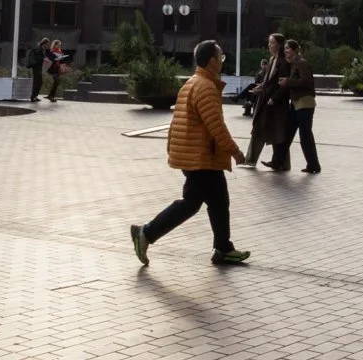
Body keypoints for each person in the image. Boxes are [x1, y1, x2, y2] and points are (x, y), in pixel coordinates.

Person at [130, 40, 249, 267]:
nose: (223, 61)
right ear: (212, 61)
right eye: (221, 56)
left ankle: (223, 248)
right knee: (190, 203)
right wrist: (235, 152)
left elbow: (176, 123)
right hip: (201, 157)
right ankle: (146, 233)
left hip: (200, 156)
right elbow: (216, 127)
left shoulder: (192, 83)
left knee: (219, 202)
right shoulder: (205, 87)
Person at [244, 33, 291, 171]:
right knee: (261, 129)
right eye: (269, 43)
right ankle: (251, 159)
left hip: (275, 104)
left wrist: (273, 98)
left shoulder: (283, 62)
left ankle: (282, 163)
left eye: (272, 43)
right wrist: (261, 87)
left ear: (280, 45)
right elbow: (268, 81)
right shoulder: (272, 60)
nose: (269, 45)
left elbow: (283, 84)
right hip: (266, 102)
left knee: (278, 134)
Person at [282, 40, 321, 174]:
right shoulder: (293, 64)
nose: (285, 51)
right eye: (285, 49)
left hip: (304, 103)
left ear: (295, 50)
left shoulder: (301, 63)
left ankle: (313, 164)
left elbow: (306, 81)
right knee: (287, 133)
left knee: (305, 135)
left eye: (287, 49)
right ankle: (279, 160)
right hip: (296, 103)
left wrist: (288, 82)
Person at [29, 36, 50, 102]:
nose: (48, 45)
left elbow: (41, 57)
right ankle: (33, 97)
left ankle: (34, 96)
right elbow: (38, 58)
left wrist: (45, 59)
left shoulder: (42, 49)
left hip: (38, 67)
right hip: (36, 67)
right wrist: (44, 59)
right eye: (47, 44)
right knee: (37, 82)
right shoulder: (39, 49)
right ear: (44, 43)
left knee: (39, 82)